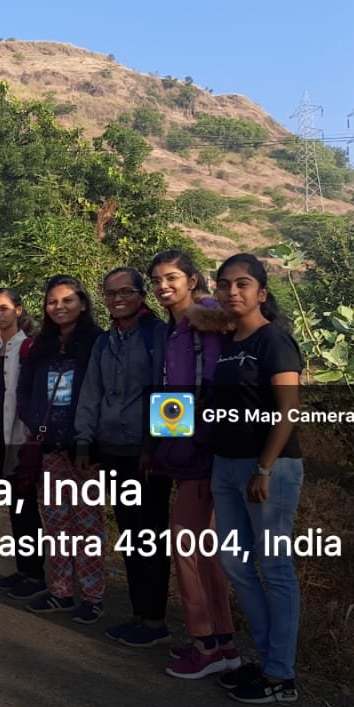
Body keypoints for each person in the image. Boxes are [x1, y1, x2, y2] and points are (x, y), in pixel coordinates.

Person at [207, 253, 305, 704]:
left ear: (262, 293)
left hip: (269, 468)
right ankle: (266, 660)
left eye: (242, 284)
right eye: (223, 284)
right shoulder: (228, 340)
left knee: (276, 569)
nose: (231, 292)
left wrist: (264, 467)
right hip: (226, 467)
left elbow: (288, 411)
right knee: (235, 564)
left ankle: (281, 675)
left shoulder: (274, 341)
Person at [147, 250, 237, 680]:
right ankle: (222, 642)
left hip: (206, 453)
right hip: (183, 453)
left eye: (172, 277)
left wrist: (198, 441)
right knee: (204, 552)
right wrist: (165, 448)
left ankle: (207, 645)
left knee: (188, 548)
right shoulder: (176, 331)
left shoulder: (207, 318)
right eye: (157, 280)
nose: (164, 285)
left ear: (193, 280)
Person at [74, 268, 169, 647]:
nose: (117, 298)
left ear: (141, 294)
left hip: (146, 455)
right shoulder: (105, 340)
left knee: (151, 536)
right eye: (110, 293)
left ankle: (156, 621)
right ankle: (138, 615)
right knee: (130, 535)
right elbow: (91, 393)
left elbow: (167, 391)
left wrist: (153, 445)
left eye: (125, 291)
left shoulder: (156, 335)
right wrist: (84, 441)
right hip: (111, 449)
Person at [17, 274, 104, 623]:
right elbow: (24, 391)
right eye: (53, 302)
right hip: (49, 446)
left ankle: (93, 596)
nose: (59, 307)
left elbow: (103, 393)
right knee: (56, 523)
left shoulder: (98, 343)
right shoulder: (41, 346)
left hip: (87, 449)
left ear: (82, 303)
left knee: (88, 524)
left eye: (67, 300)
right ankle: (61, 591)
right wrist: (33, 418)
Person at [0, 288, 47, 599]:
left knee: (26, 507)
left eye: (4, 308)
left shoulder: (29, 347)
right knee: (14, 508)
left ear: (18, 310)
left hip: (21, 439)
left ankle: (35, 575)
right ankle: (22, 570)